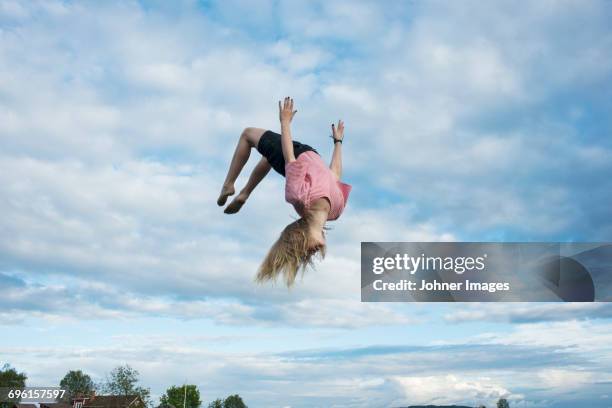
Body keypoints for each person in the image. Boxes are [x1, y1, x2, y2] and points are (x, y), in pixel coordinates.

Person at [217, 97, 352, 286]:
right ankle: (245, 193)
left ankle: (229, 185)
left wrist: (285, 122)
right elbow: (335, 174)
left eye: (305, 251)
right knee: (269, 157)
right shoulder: (336, 210)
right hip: (309, 153)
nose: (312, 253)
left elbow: (289, 157)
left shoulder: (299, 197)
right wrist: (338, 142)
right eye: (311, 253)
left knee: (248, 134)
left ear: (301, 237)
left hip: (296, 155)